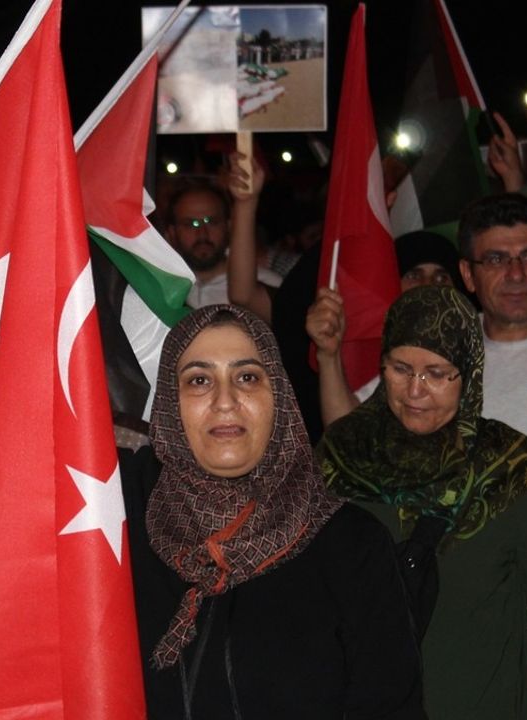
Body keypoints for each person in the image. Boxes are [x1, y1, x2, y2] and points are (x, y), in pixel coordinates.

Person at [318, 286, 527, 720]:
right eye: (401, 368)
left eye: (437, 373)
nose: (415, 391)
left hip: (474, 700)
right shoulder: (341, 454)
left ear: (469, 374)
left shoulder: (509, 469)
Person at [122, 304, 425, 719]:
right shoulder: (122, 530)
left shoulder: (351, 546)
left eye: (247, 377)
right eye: (199, 380)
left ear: (279, 396)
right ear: (170, 408)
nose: (225, 401)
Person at [164, 155, 279, 321]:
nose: (202, 233)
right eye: (190, 224)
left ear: (229, 226)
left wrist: (245, 201)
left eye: (212, 222)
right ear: (171, 233)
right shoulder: (160, 291)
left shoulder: (263, 283)